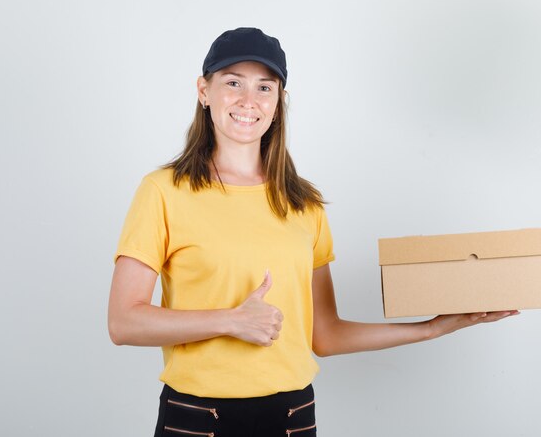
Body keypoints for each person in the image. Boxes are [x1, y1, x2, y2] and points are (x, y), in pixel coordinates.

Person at [107, 27, 519, 437]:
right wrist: (231, 320)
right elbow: (123, 322)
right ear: (204, 91)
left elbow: (325, 334)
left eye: (264, 88)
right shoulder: (163, 191)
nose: (248, 101)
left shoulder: (304, 204)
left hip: (292, 417)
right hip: (198, 420)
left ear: (279, 102)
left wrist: (432, 327)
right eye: (233, 83)